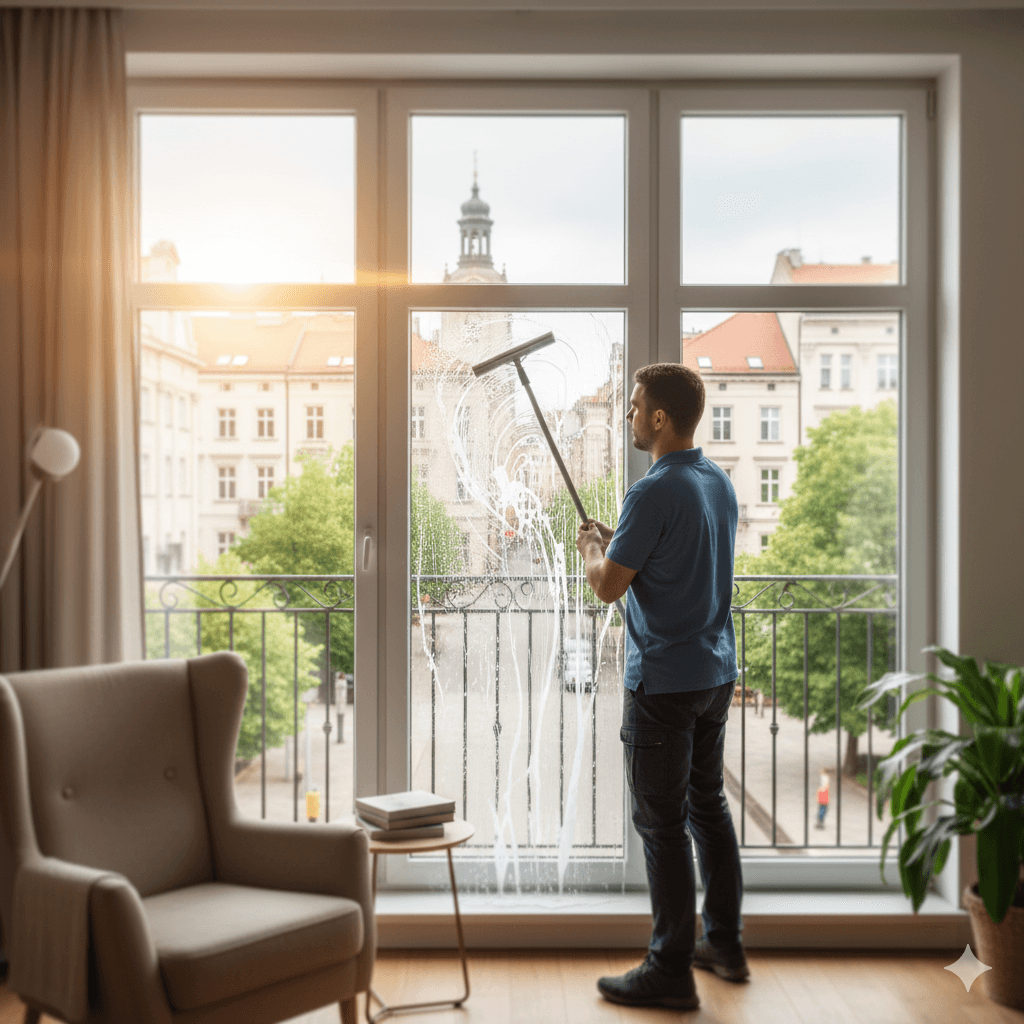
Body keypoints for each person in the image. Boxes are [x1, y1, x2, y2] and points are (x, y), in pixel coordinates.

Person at [576, 363, 748, 1011]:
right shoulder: (716, 482)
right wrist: (616, 540)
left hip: (665, 682)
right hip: (714, 672)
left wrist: (592, 548)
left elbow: (607, 585)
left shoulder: (651, 492)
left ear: (658, 417)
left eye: (634, 406)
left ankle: (669, 968)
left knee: (662, 824)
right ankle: (723, 944)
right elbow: (675, 558)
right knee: (708, 807)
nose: (627, 416)